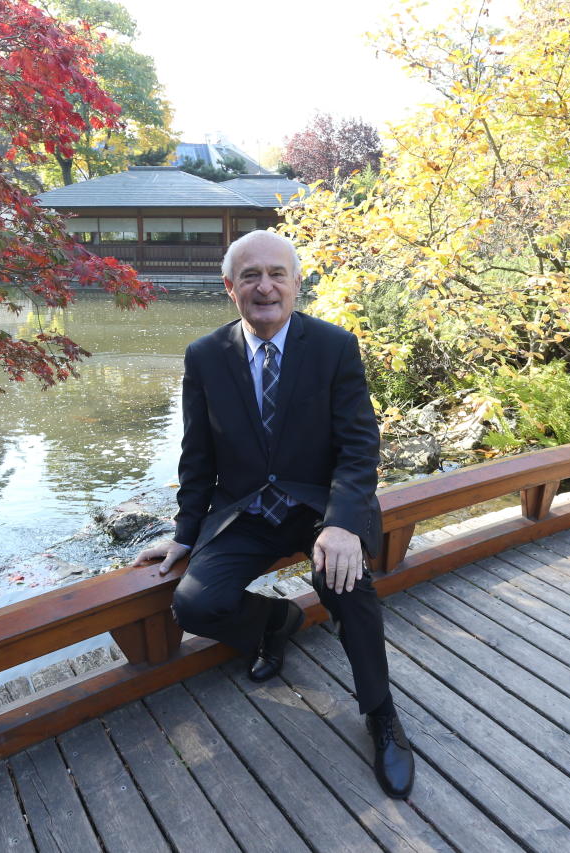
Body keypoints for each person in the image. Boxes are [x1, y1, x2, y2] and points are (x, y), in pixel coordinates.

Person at [133, 229, 414, 799]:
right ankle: (274, 624)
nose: (265, 287)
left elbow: (359, 447)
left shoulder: (334, 346)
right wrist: (184, 533)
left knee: (346, 580)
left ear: (296, 282)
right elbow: (197, 454)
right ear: (229, 287)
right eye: (251, 276)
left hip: (320, 503)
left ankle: (382, 714)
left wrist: (341, 523)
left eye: (277, 274)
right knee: (195, 603)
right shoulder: (206, 356)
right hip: (245, 509)